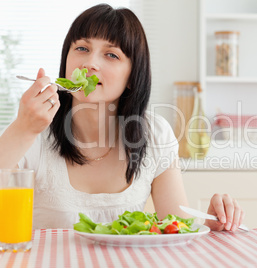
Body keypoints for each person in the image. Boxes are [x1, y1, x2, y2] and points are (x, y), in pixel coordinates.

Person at [0, 4, 244, 231]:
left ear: (131, 78)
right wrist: (23, 128)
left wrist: (211, 225)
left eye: (111, 55)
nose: (90, 63)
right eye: (82, 48)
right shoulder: (34, 130)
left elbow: (176, 229)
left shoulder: (155, 134)